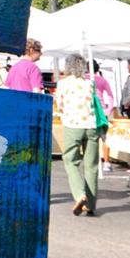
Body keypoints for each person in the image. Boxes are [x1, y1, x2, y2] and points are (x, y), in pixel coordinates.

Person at [56, 54, 99, 216]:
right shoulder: (89, 83)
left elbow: (60, 105)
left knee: (70, 161)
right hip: (92, 126)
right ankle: (91, 203)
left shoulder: (63, 83)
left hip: (73, 124)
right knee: (91, 165)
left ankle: (80, 194)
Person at [88, 61, 116, 171]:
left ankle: (91, 161)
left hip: (89, 110)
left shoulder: (84, 79)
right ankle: (107, 162)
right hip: (102, 111)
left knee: (91, 137)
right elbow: (110, 95)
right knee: (105, 138)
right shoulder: (102, 80)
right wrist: (109, 109)